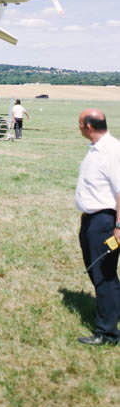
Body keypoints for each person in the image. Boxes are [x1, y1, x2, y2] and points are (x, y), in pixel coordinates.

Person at [75, 108, 120, 346]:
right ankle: (112, 310)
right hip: (92, 220)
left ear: (88, 127)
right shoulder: (97, 149)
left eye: (80, 124)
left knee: (104, 275)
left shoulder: (111, 151)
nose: (79, 127)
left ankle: (107, 332)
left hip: (105, 221)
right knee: (98, 272)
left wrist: (119, 227)